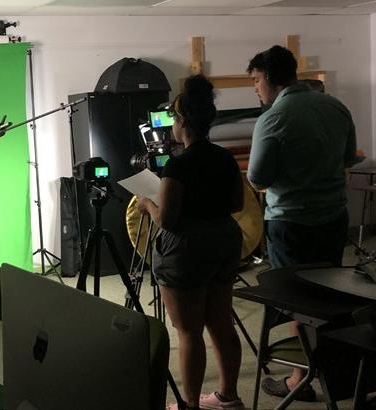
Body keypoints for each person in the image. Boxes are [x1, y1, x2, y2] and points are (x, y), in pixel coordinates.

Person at [246, 45, 357, 401]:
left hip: (291, 223)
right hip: (334, 216)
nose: (255, 89)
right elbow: (347, 157)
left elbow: (258, 176)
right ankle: (338, 370)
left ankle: (300, 378)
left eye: (256, 81)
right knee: (330, 293)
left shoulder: (273, 118)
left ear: (268, 78)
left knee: (297, 301)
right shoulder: (335, 107)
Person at [136, 75, 245, 410]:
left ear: (182, 121)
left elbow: (167, 220)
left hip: (186, 249)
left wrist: (146, 203)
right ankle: (228, 396)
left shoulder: (178, 166)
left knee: (189, 332)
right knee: (221, 322)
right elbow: (238, 204)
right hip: (225, 241)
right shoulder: (225, 157)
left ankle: (191, 405)